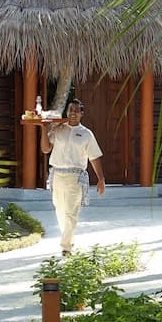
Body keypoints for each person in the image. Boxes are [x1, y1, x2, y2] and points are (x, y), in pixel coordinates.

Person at [39, 98, 105, 255]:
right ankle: (68, 238)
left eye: (76, 110)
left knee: (71, 212)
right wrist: (43, 128)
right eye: (70, 110)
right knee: (60, 210)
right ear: (67, 112)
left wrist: (101, 179)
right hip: (57, 175)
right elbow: (46, 149)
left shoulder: (87, 134)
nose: (73, 113)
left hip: (75, 177)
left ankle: (66, 246)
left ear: (82, 113)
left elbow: (94, 157)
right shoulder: (58, 129)